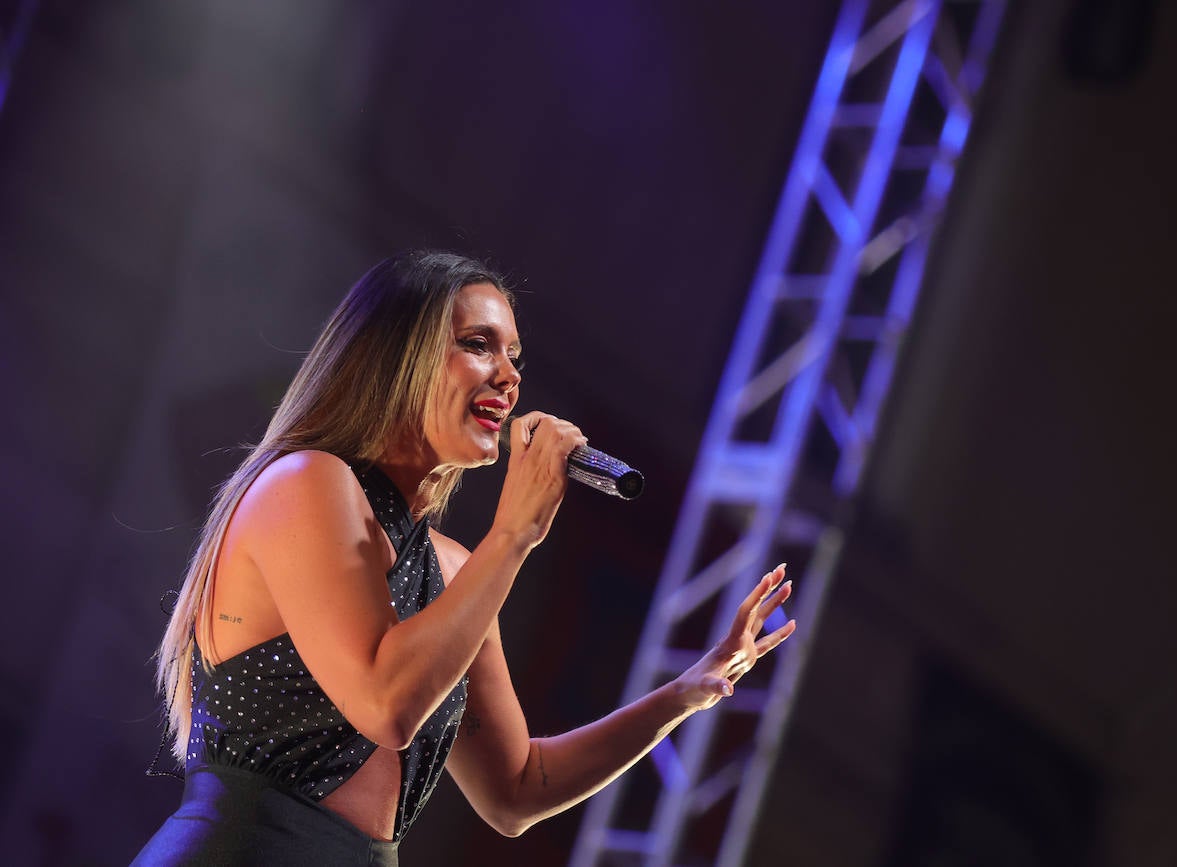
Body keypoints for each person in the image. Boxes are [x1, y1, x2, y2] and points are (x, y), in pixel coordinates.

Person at [134, 250, 796, 865]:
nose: (509, 378)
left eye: (515, 356)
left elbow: (516, 788)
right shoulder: (305, 483)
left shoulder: (452, 568)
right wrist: (514, 533)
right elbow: (386, 703)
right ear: (399, 359)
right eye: (479, 346)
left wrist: (684, 693)